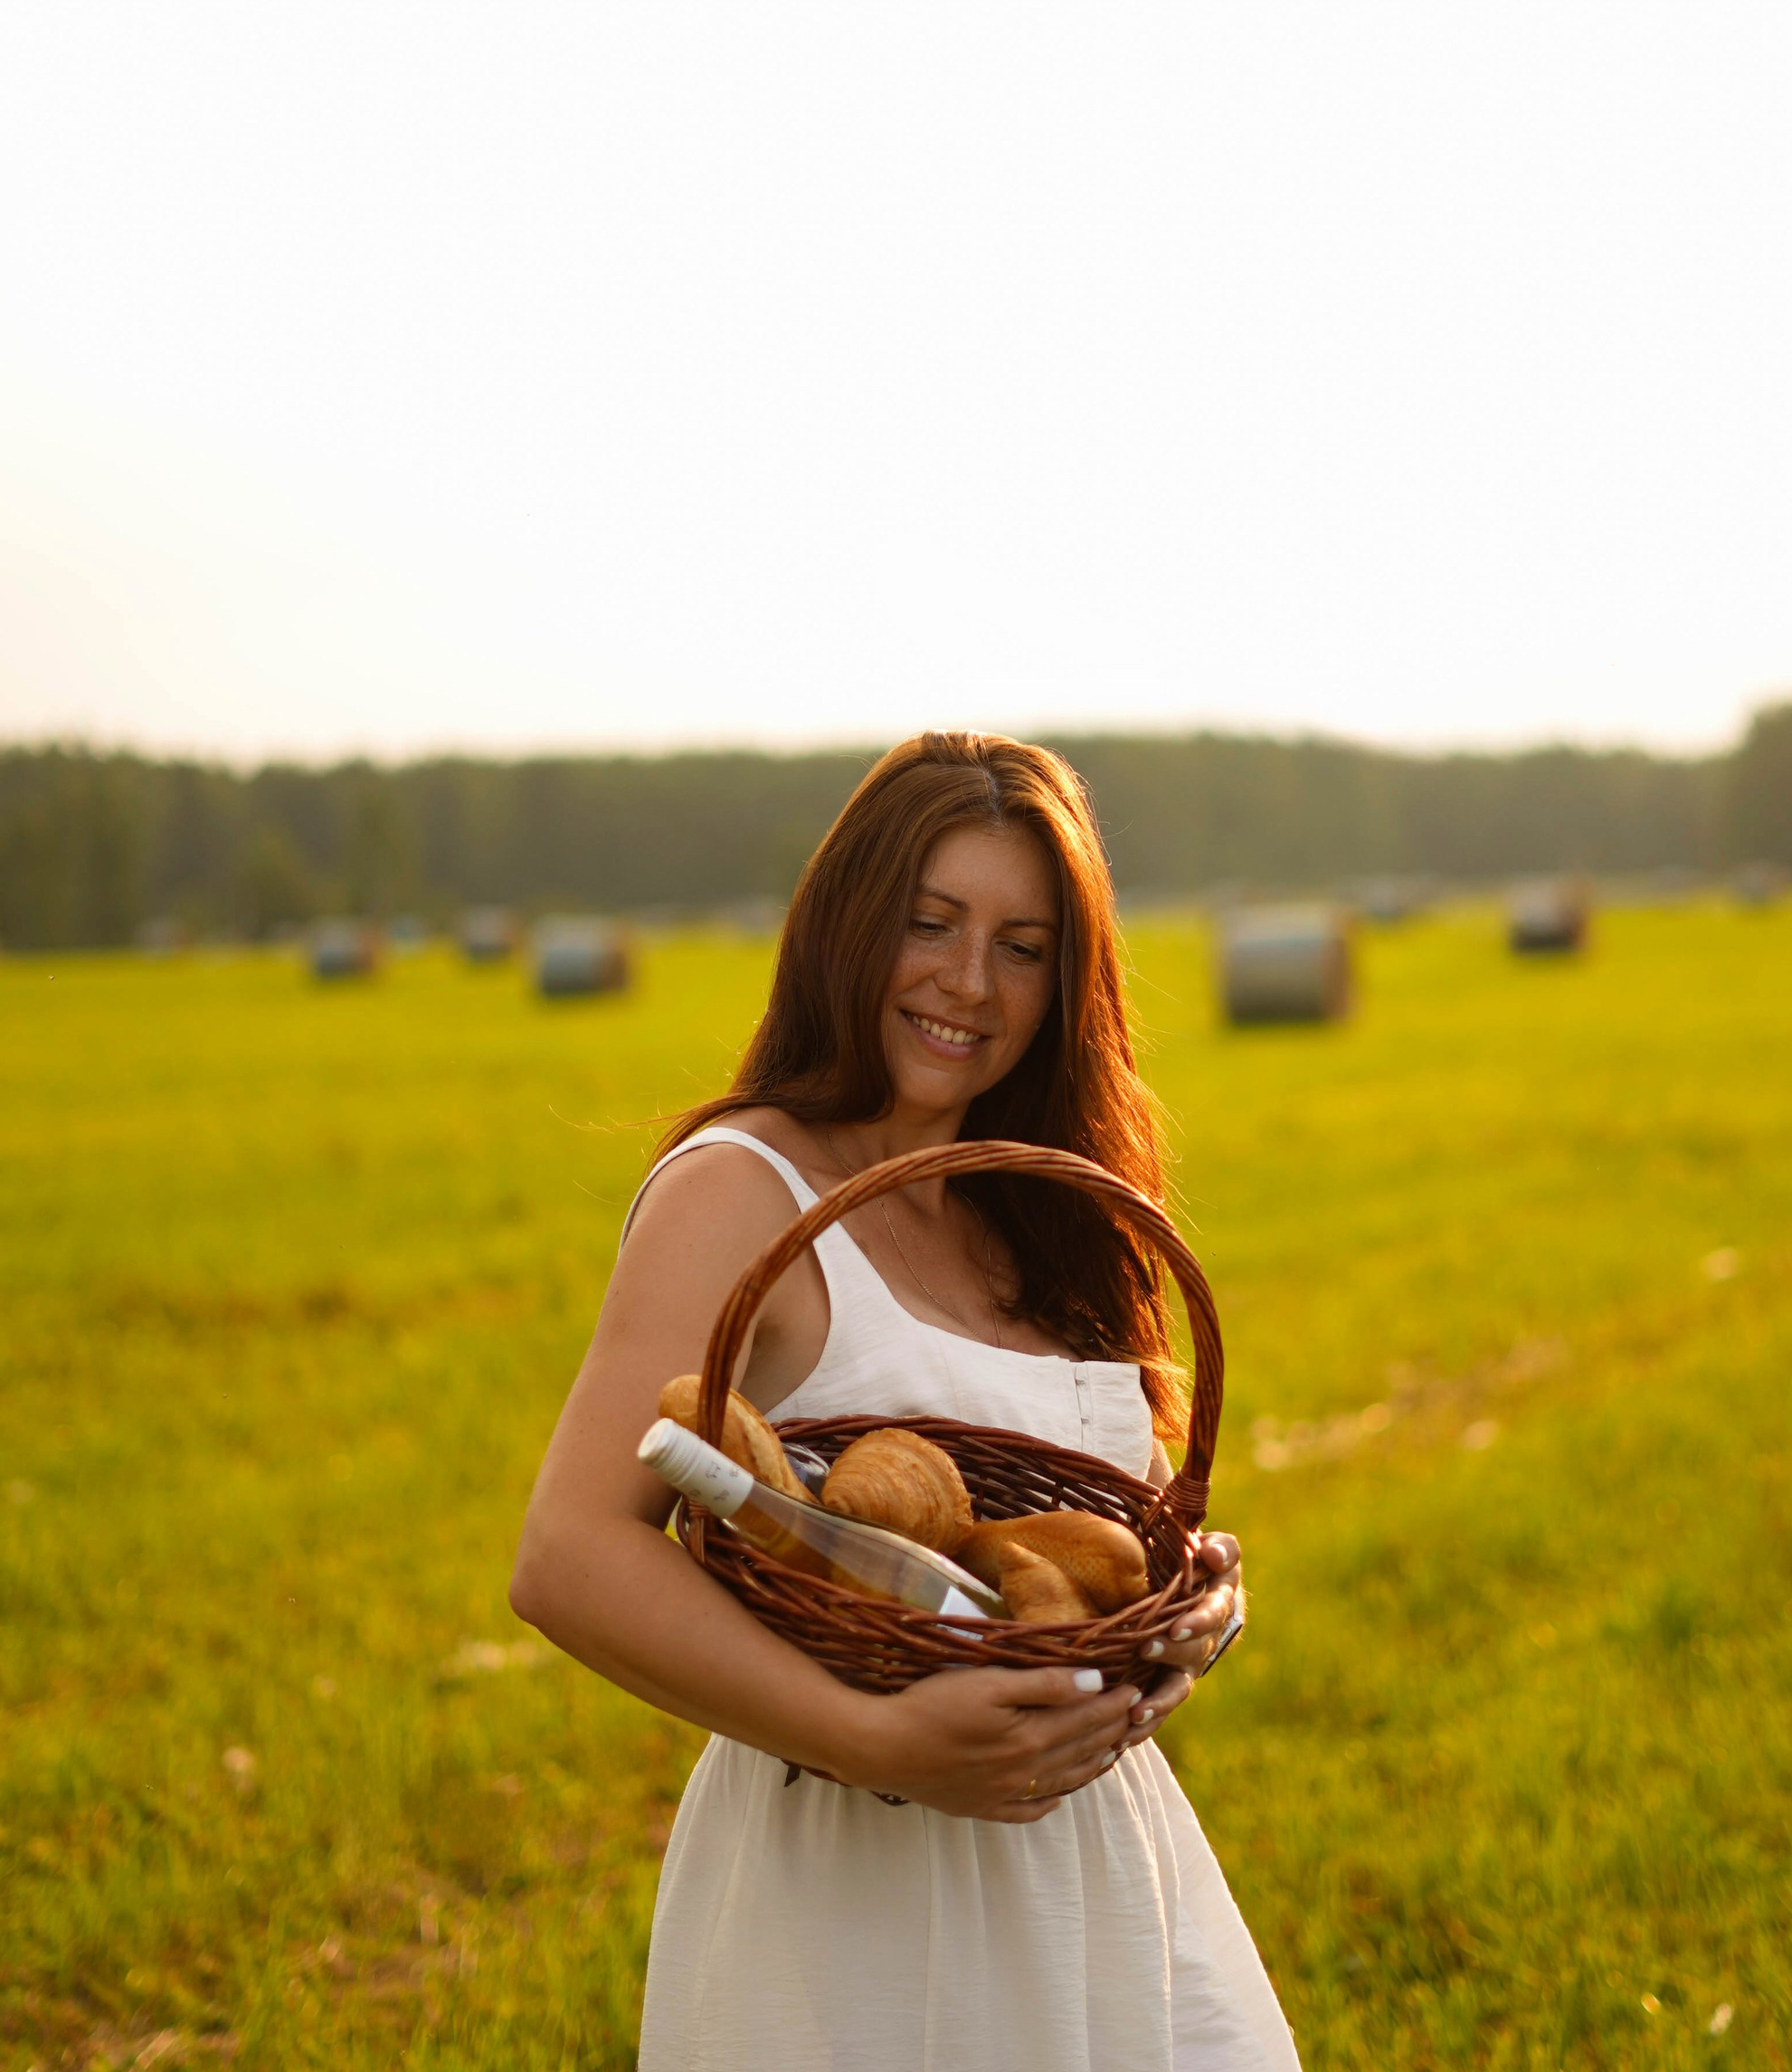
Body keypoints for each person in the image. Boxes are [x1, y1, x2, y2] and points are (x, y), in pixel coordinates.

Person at [510, 732, 1299, 2071]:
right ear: (846, 929)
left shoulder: (1036, 1213)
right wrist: (881, 1739)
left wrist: (1183, 1614)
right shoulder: (741, 1192)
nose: (968, 982)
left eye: (1023, 945)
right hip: (855, 1901)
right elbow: (569, 1558)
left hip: (1098, 1871)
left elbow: (1078, 1554)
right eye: (929, 924)